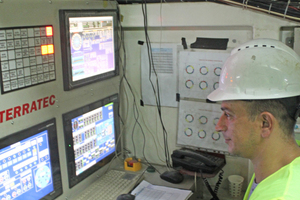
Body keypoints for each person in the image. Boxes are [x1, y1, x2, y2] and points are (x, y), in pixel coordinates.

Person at [207, 38, 300, 200]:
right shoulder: (277, 169)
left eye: (228, 115)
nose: (219, 126)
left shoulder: (281, 196)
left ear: (265, 124)